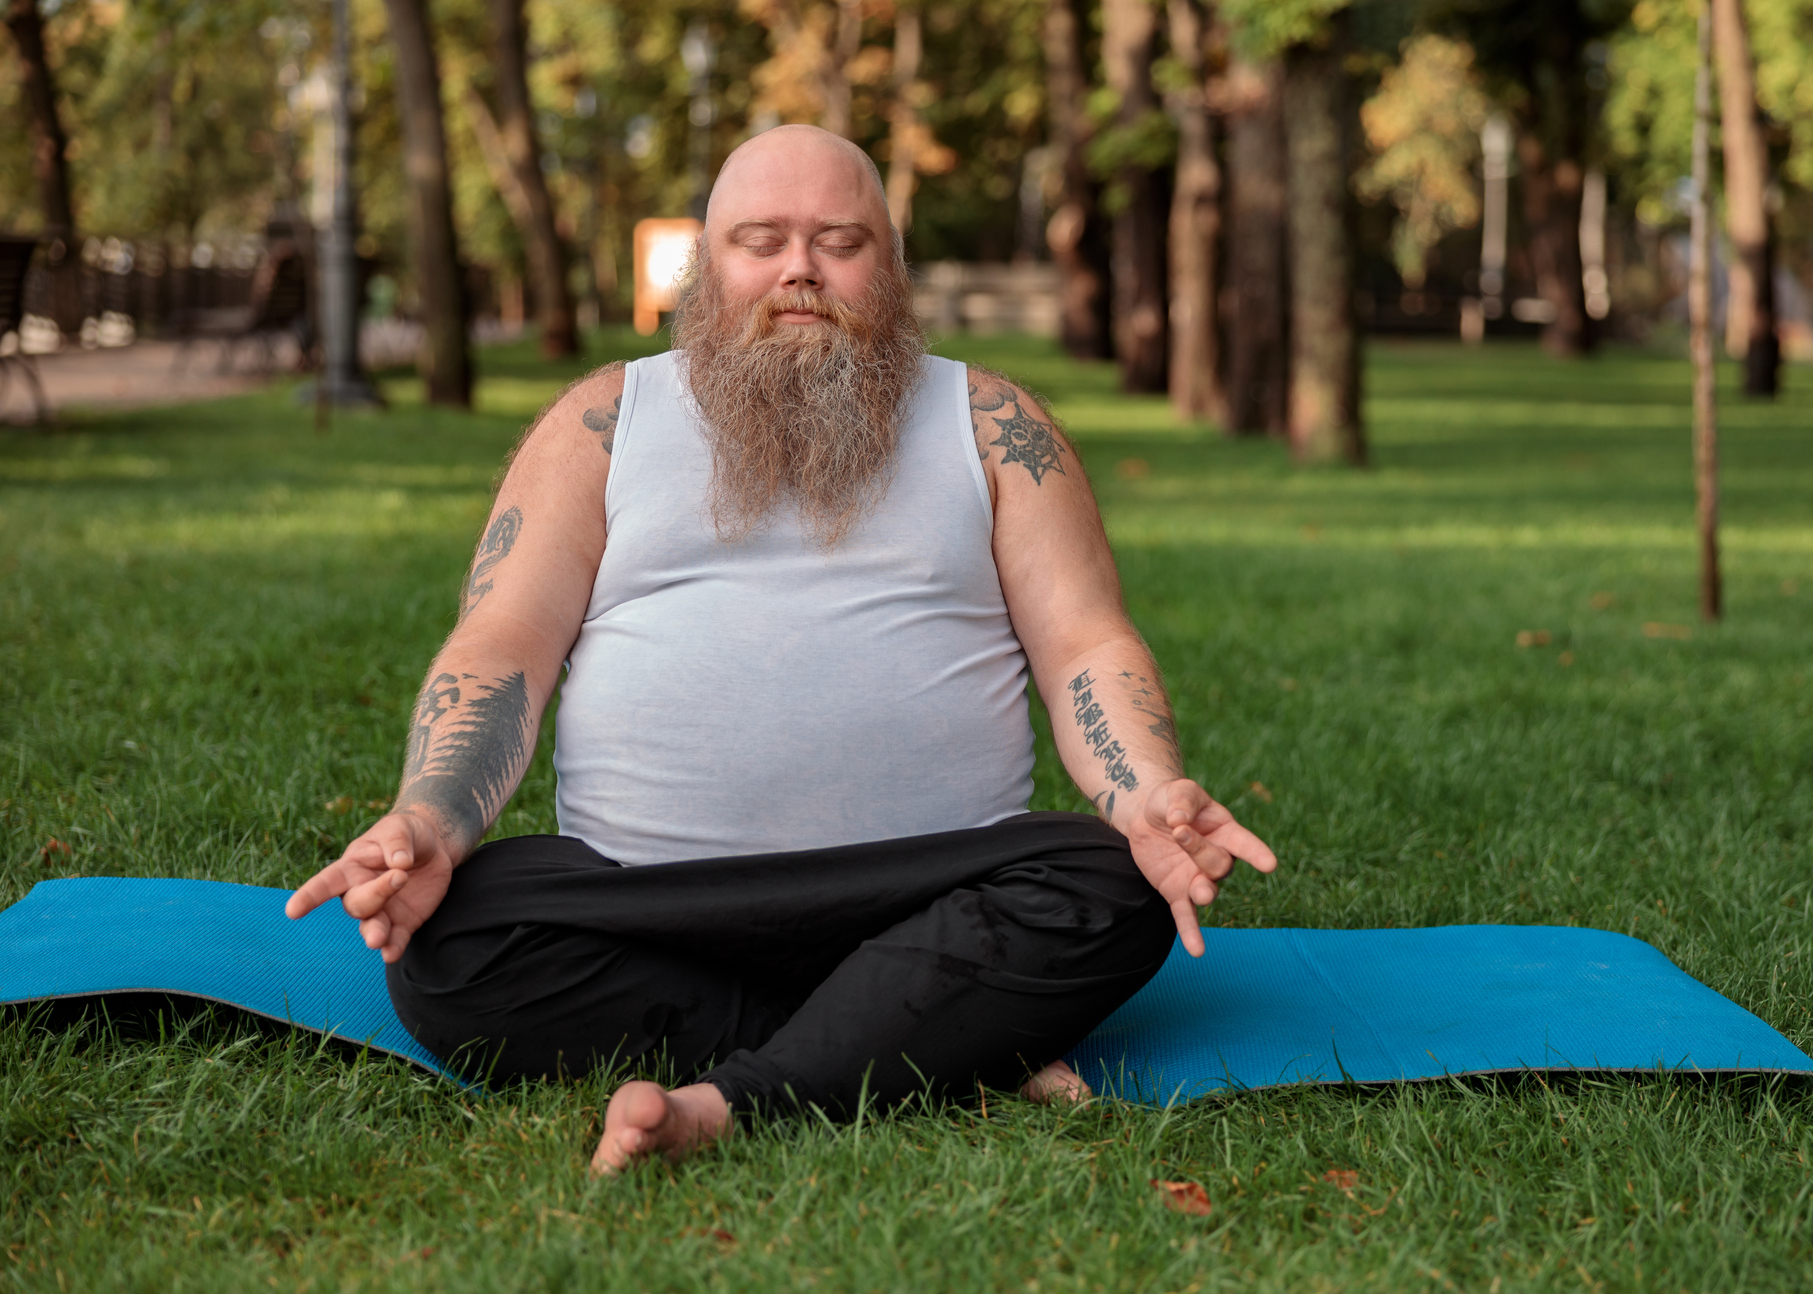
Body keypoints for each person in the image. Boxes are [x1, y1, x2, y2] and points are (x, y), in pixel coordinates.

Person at [286, 125, 1275, 1173]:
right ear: (705, 265)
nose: (800, 268)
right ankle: (935, 1042)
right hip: (657, 904)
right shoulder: (599, 421)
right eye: (761, 240)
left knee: (1107, 883)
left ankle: (745, 1088)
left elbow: (1085, 640)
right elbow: (502, 646)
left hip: (933, 892)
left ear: (888, 264)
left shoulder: (991, 423)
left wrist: (1146, 793)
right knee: (451, 942)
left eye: (840, 240)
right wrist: (433, 818)